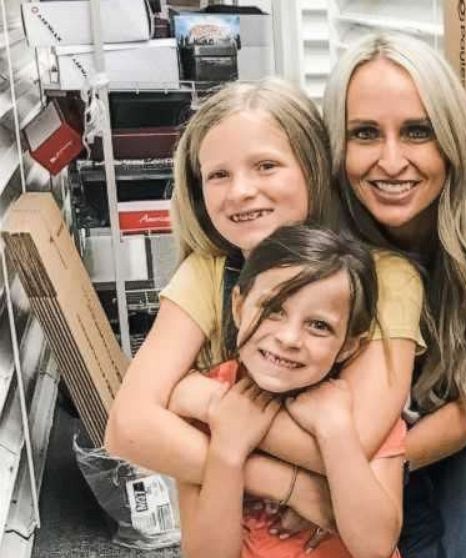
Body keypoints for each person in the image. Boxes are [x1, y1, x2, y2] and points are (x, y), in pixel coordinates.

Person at [105, 78, 425, 540]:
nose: (240, 192)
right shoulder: (207, 273)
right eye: (218, 175)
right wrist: (291, 486)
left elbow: (354, 440)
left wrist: (212, 404)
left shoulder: (385, 277)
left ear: (313, 168)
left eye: (266, 166)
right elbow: (129, 428)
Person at [322, 33, 466, 558]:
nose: (391, 161)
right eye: (365, 134)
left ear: (451, 138)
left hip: (463, 420)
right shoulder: (323, 231)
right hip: (355, 430)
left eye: (417, 131)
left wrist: (369, 468)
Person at [177, 224, 404, 558]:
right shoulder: (208, 400)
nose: (289, 338)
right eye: (273, 310)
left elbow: (376, 547)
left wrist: (336, 430)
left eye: (319, 325)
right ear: (238, 306)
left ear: (348, 346)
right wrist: (227, 449)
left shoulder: (359, 408)